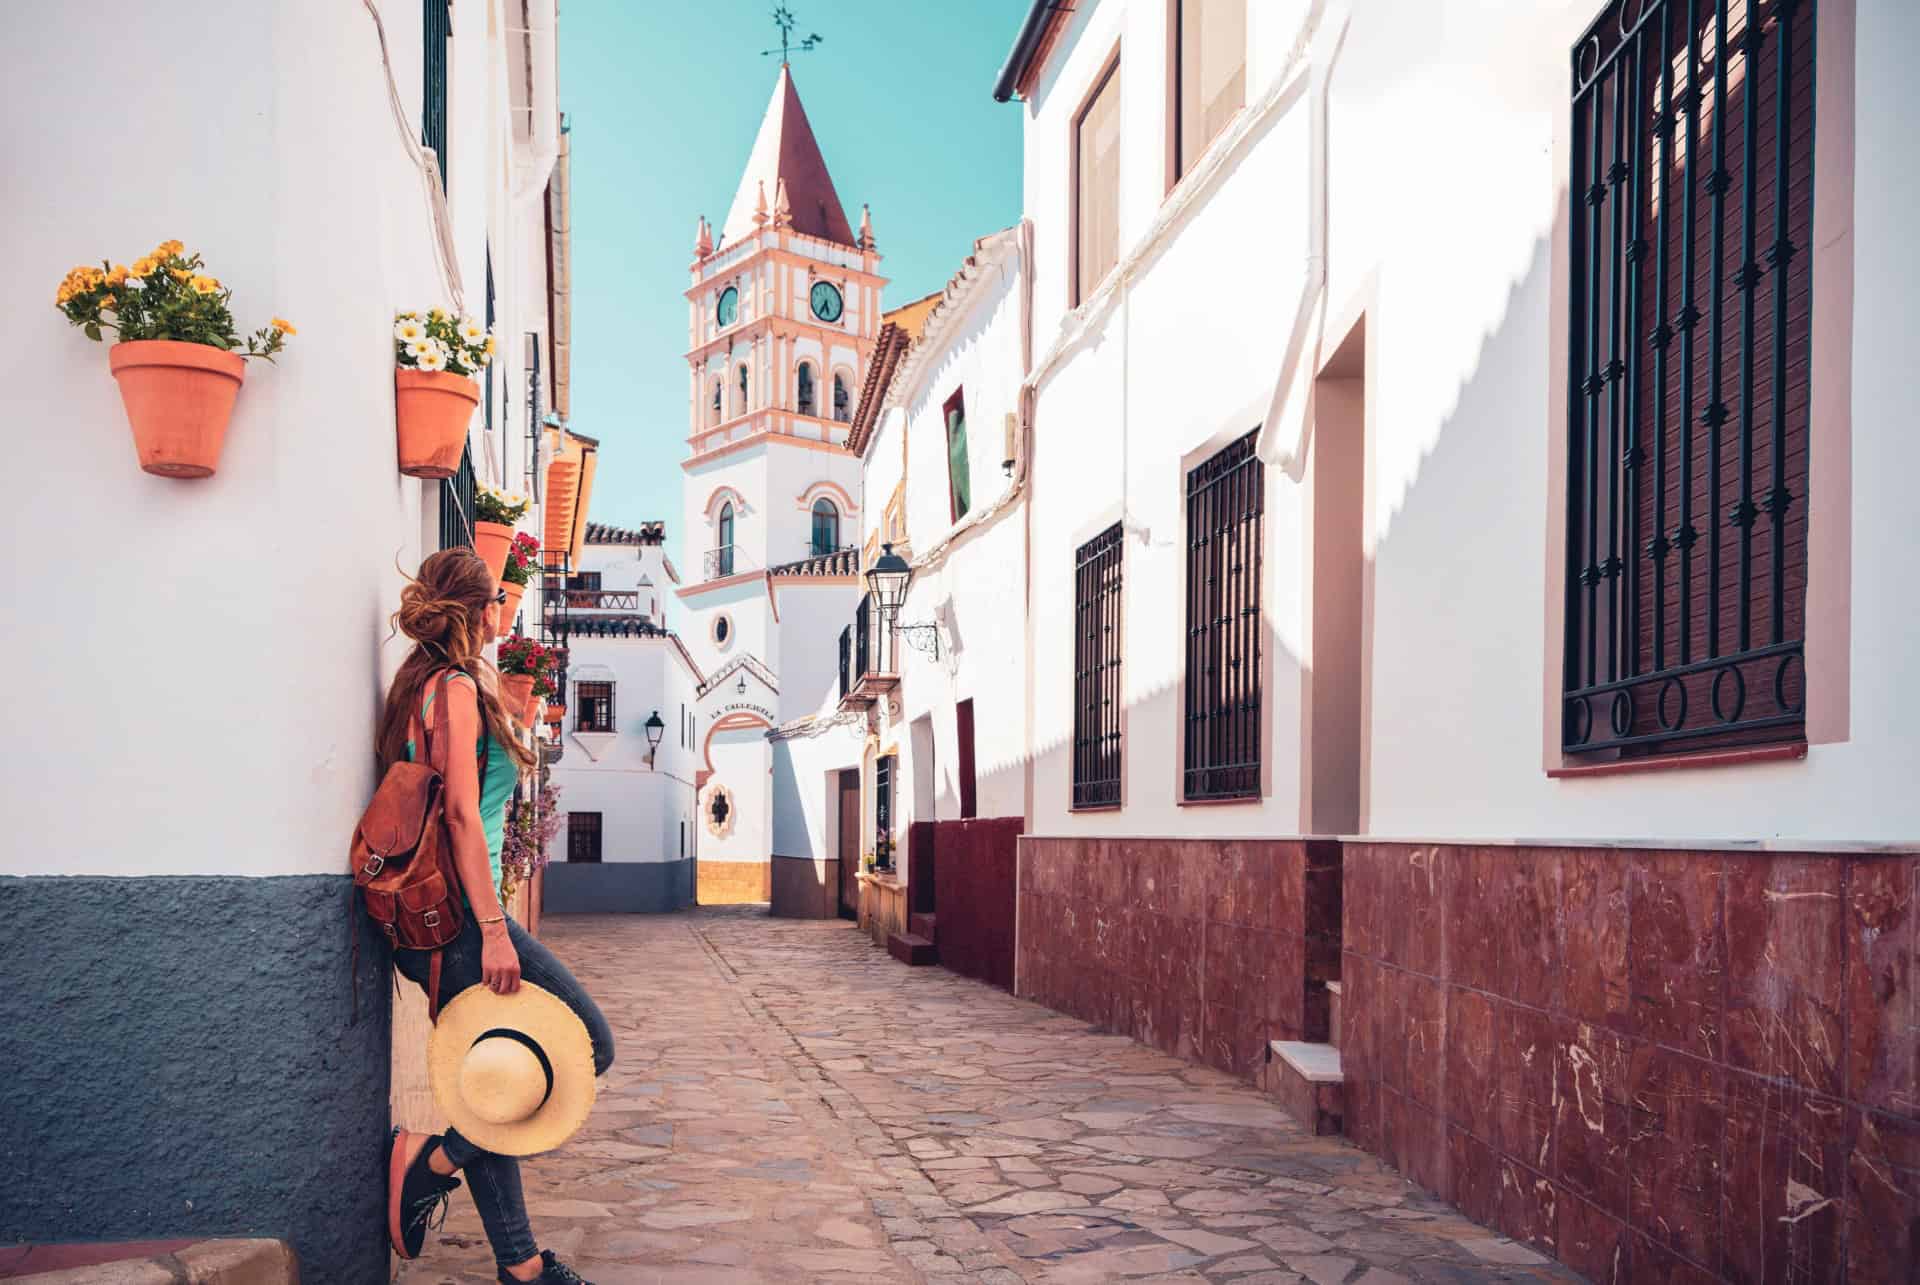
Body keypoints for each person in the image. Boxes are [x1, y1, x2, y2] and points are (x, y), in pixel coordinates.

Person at [377, 547, 613, 1285]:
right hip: (456, 920)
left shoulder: (423, 682)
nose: (500, 620)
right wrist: (491, 929)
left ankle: (522, 1263)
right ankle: (430, 1160)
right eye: (498, 607)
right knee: (587, 1043)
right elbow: (458, 815)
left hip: (445, 915)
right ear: (481, 612)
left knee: (498, 1070)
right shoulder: (447, 686)